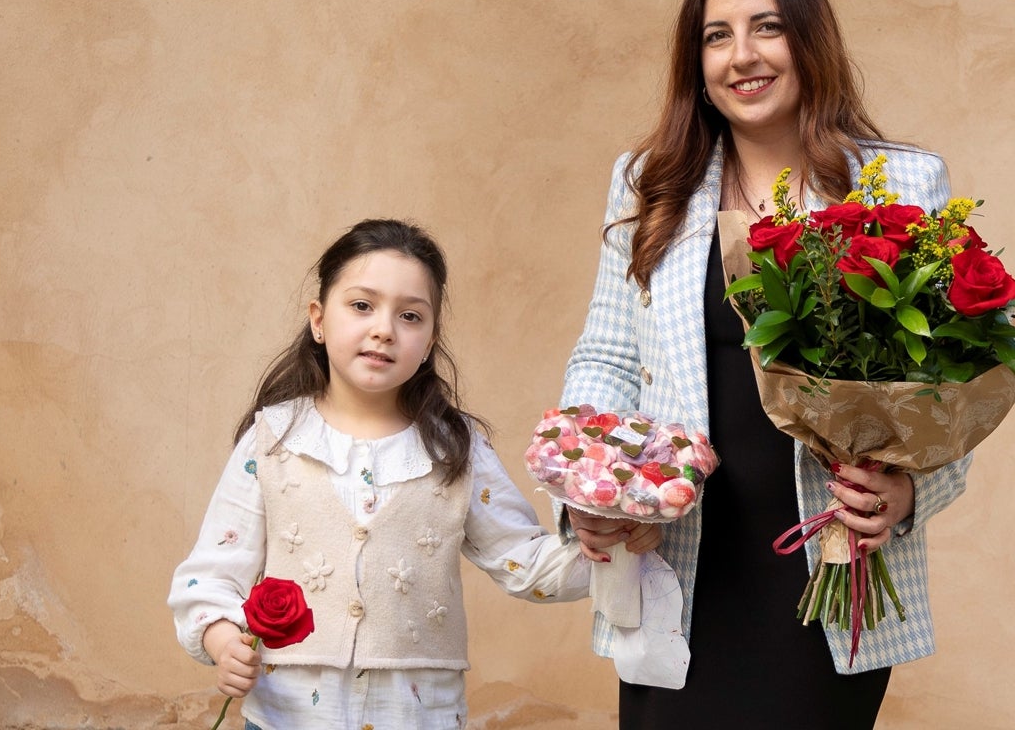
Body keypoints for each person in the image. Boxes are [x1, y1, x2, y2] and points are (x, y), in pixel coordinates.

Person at [561, 0, 972, 729]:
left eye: (767, 27)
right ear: (697, 59)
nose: (741, 56)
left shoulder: (903, 182)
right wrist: (593, 484)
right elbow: (607, 354)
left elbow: (953, 384)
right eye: (717, 36)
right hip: (674, 567)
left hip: (826, 565)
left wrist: (910, 490)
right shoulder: (651, 185)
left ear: (808, 40)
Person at [169, 218, 656, 729]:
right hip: (284, 717)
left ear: (429, 339)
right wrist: (223, 641)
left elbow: (524, 561)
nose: (384, 328)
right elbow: (211, 575)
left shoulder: (456, 448)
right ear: (318, 319)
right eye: (361, 306)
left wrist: (618, 536)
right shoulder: (272, 438)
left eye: (409, 316)